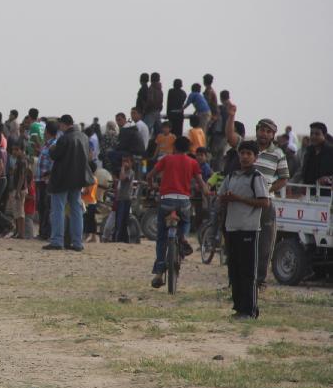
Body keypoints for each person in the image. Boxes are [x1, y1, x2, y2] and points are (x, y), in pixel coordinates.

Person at [224, 102, 289, 286]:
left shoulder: (278, 153)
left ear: (273, 135)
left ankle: (258, 281)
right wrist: (231, 116)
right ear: (257, 130)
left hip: (265, 204)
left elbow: (284, 178)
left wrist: (265, 190)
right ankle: (236, 281)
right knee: (238, 241)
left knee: (264, 244)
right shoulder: (247, 147)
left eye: (269, 131)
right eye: (262, 130)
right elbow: (230, 136)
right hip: (241, 204)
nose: (264, 134)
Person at [146, 136, 210, 288]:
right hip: (183, 201)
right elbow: (202, 184)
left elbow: (150, 176)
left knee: (161, 237)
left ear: (174, 147)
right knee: (186, 221)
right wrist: (207, 193)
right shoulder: (193, 162)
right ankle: (184, 237)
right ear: (188, 149)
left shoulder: (167, 159)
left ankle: (159, 273)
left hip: (166, 201)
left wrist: (153, 186)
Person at [218, 141, 270, 319]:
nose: (245, 157)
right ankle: (239, 308)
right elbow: (220, 197)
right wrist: (224, 199)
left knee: (248, 272)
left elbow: (264, 202)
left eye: (249, 153)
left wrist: (239, 198)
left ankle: (250, 310)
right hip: (232, 228)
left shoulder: (257, 177)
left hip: (249, 229)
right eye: (242, 153)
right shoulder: (231, 176)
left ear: (255, 157)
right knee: (234, 270)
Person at [43, 115, 94, 252]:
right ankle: (77, 243)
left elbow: (54, 155)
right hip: (78, 178)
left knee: (58, 210)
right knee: (76, 210)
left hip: (62, 179)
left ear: (63, 124)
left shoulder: (64, 139)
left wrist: (52, 148)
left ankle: (57, 241)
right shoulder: (83, 137)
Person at [35, 121, 59, 239]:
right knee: (41, 207)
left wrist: (48, 176)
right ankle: (42, 232)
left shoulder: (54, 145)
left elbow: (53, 163)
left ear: (47, 132)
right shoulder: (46, 144)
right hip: (40, 179)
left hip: (46, 180)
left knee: (46, 207)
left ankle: (46, 233)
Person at [297, 122, 333, 188]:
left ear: (324, 135)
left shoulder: (331, 151)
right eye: (311, 134)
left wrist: (329, 179)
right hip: (309, 193)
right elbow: (302, 171)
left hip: (327, 194)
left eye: (317, 134)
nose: (313, 136)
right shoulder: (308, 152)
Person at [8, 144, 29, 239]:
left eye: (16, 150)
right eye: (13, 150)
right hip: (16, 188)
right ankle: (17, 231)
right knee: (16, 212)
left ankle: (21, 233)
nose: (14, 152)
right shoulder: (18, 160)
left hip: (20, 189)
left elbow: (22, 177)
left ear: (21, 150)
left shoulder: (22, 161)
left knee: (20, 212)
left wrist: (17, 191)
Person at [114, 155, 135, 243]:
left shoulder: (130, 172)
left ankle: (121, 239)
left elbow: (122, 178)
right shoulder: (123, 171)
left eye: (127, 161)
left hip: (125, 199)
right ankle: (119, 238)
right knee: (119, 219)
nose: (125, 163)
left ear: (131, 163)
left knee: (122, 220)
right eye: (123, 161)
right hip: (120, 198)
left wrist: (122, 168)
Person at [82, 163, 100, 243]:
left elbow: (86, 191)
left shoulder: (88, 179)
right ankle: (93, 237)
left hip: (87, 202)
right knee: (92, 221)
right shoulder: (95, 178)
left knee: (87, 220)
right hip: (93, 201)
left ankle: (87, 237)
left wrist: (80, 192)